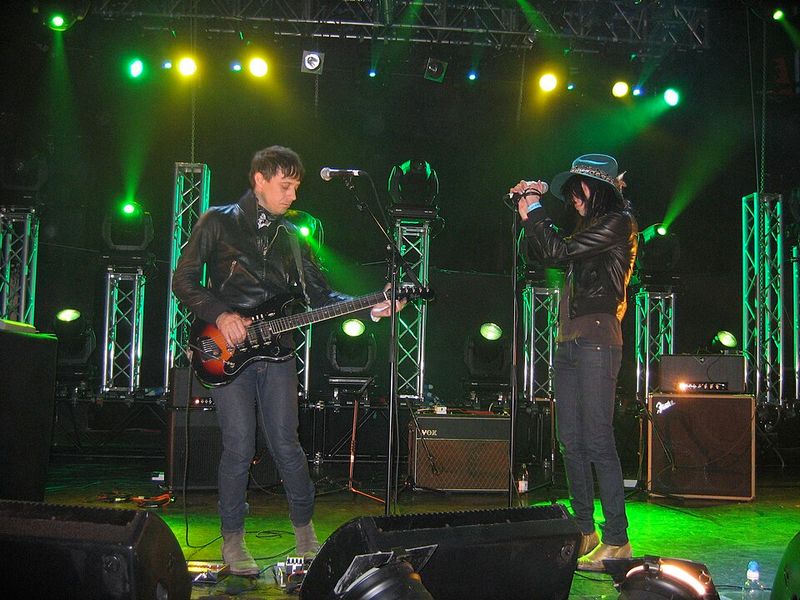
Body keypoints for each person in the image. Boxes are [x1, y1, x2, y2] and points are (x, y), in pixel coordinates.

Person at [172, 145, 401, 576]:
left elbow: (320, 296)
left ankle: (305, 532)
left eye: (296, 187)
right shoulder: (217, 220)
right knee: (239, 446)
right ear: (259, 179)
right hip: (225, 349)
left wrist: (371, 304)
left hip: (277, 351)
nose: (293, 196)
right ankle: (233, 539)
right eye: (286, 186)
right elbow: (182, 280)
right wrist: (221, 314)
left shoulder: (294, 235)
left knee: (286, 442)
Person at [511, 154, 638, 571]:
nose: (573, 200)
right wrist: (528, 214)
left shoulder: (618, 222)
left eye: (577, 191)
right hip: (569, 340)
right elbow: (546, 252)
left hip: (597, 339)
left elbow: (557, 250)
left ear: (595, 188)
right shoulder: (589, 228)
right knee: (570, 439)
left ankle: (617, 539)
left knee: (598, 438)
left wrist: (536, 206)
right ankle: (585, 529)